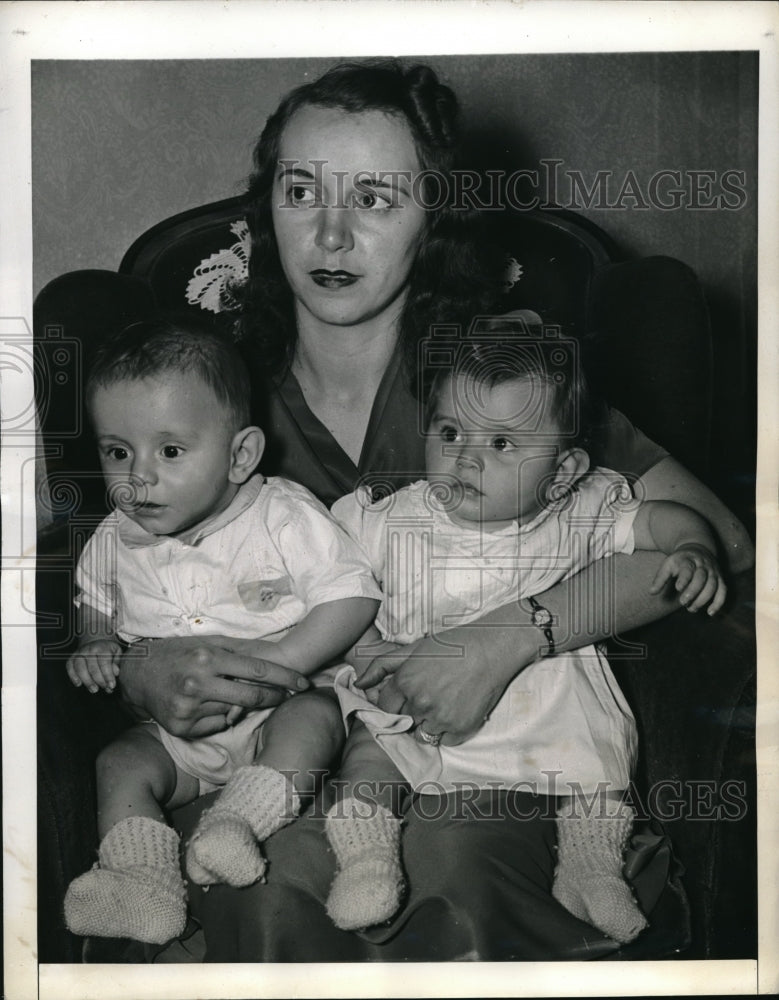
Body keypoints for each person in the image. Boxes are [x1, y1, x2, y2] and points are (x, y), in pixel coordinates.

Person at [114, 61, 753, 960]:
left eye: (374, 198)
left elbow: (712, 539)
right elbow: (113, 560)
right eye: (302, 192)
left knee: (463, 888)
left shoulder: (495, 388)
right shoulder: (209, 398)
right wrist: (138, 665)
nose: (330, 232)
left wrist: (508, 636)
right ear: (269, 211)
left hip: (502, 767)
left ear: (433, 221)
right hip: (272, 773)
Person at [321, 332, 725, 944]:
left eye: (502, 443)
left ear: (563, 474)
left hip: (542, 700)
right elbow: (331, 584)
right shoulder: (391, 517)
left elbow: (664, 521)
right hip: (414, 691)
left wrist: (691, 547)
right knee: (370, 753)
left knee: (595, 751)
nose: (465, 459)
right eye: (450, 433)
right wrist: (370, 648)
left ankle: (590, 867)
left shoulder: (575, 514)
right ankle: (365, 860)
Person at [62, 318, 380, 944]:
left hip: (280, 709)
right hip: (183, 737)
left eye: (170, 452)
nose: (137, 477)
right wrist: (95, 640)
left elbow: (351, 596)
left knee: (316, 719)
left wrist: (279, 657)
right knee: (121, 760)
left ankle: (235, 822)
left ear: (240, 455)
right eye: (117, 451)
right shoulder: (115, 535)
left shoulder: (280, 514)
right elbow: (93, 598)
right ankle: (141, 879)